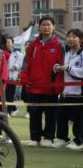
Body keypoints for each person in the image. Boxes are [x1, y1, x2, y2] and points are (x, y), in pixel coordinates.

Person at [20, 16, 64, 147]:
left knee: (50, 114)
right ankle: (35, 138)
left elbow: (61, 65)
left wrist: (57, 84)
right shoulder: (33, 44)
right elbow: (26, 64)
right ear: (39, 27)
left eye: (49, 25)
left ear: (53, 27)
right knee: (34, 114)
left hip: (50, 87)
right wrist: (25, 79)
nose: (46, 27)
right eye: (43, 25)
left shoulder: (59, 44)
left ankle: (49, 138)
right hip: (34, 86)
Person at [53, 29, 83, 150]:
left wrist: (68, 68)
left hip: (79, 93)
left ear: (80, 39)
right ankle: (62, 138)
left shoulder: (82, 53)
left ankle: (79, 140)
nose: (70, 39)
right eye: (69, 36)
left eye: (74, 37)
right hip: (65, 92)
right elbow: (58, 64)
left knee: (79, 119)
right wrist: (56, 67)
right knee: (61, 116)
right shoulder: (65, 52)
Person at [6, 37, 24, 116]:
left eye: (9, 42)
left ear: (13, 43)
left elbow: (20, 64)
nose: (7, 44)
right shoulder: (4, 53)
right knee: (7, 94)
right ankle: (14, 109)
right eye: (6, 42)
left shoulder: (18, 54)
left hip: (13, 77)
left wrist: (13, 67)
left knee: (10, 94)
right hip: (6, 77)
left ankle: (9, 111)